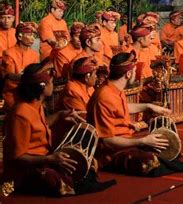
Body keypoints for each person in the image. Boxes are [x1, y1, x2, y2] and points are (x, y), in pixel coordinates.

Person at [2, 62, 107, 196]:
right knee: (61, 181)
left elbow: (38, 125)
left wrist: (60, 115)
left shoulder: (36, 104)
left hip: (44, 160)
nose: (53, 84)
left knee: (84, 169)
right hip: (26, 170)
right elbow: (17, 157)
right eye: (51, 82)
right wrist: (50, 159)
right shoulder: (21, 113)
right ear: (42, 86)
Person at [87, 51, 178, 176]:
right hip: (111, 153)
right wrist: (143, 141)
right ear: (128, 74)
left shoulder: (114, 88)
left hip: (127, 141)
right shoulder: (105, 96)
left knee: (166, 151)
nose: (136, 74)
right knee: (152, 162)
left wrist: (148, 106)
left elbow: (121, 108)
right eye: (134, 71)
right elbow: (107, 141)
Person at [2, 22, 40, 111]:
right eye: (29, 35)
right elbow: (9, 75)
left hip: (29, 92)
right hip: (13, 93)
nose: (32, 39)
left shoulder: (33, 54)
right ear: (19, 37)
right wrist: (28, 78)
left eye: (33, 36)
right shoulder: (9, 53)